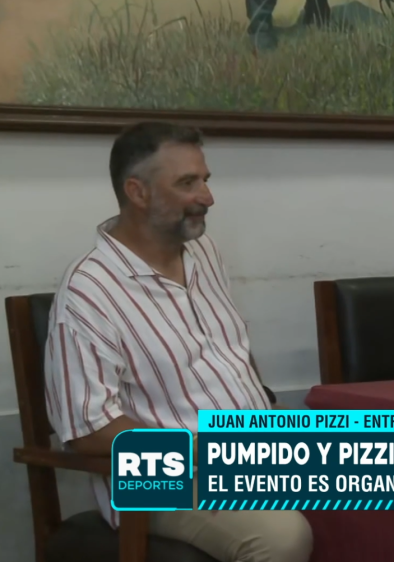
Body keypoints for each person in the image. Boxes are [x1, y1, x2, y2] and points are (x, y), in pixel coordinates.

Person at [43, 122, 313, 562]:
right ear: (138, 192)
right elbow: (88, 431)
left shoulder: (205, 253)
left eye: (205, 180)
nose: (208, 197)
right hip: (163, 477)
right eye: (188, 183)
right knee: (281, 537)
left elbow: (229, 354)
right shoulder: (88, 292)